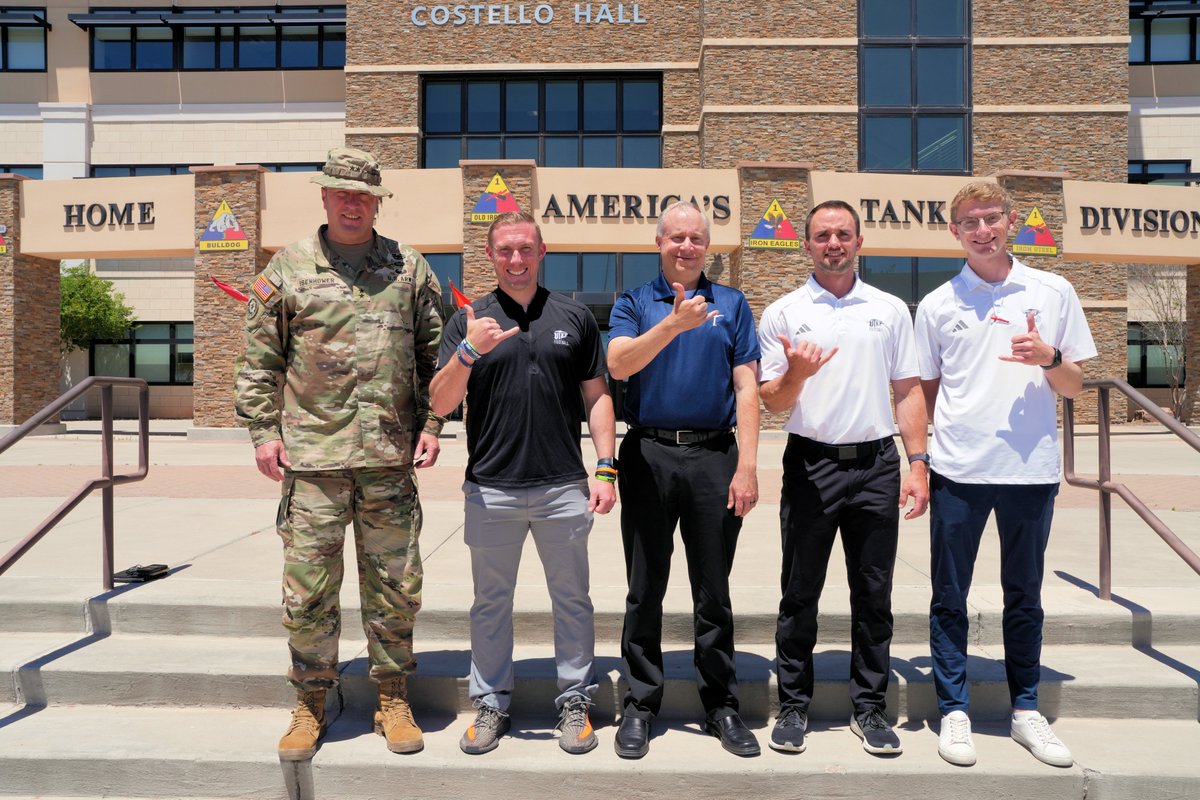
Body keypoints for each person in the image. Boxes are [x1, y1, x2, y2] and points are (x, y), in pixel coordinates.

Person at [235, 146, 444, 760]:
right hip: (312, 460)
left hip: (388, 459)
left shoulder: (408, 268)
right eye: (341, 193)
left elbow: (438, 356)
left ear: (376, 201)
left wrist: (434, 422)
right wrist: (261, 432)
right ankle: (310, 702)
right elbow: (258, 360)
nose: (352, 204)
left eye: (363, 195)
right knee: (308, 593)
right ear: (324, 196)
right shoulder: (288, 269)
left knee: (396, 585)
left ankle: (392, 696)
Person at [914, 180, 1096, 768]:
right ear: (955, 232)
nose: (983, 230)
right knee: (950, 595)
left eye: (991, 218)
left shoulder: (1053, 290)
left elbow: (1076, 386)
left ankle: (1025, 709)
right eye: (970, 222)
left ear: (1011, 220)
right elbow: (924, 391)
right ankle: (955, 711)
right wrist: (917, 462)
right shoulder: (939, 303)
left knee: (1025, 595)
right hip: (959, 470)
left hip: (1030, 472)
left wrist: (1049, 358)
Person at [429, 211, 616, 756]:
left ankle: (575, 700)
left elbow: (597, 395)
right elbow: (440, 402)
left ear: (542, 252)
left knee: (572, 599)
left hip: (563, 486)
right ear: (490, 255)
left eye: (525, 249)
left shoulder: (574, 317)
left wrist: (605, 466)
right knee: (491, 602)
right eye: (505, 250)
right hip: (492, 488)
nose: (516, 259)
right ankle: (490, 703)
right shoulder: (469, 319)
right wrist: (469, 350)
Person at [758, 200, 929, 756]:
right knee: (799, 591)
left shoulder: (889, 310)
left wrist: (918, 463)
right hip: (811, 464)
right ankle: (793, 705)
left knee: (873, 593)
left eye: (843, 234)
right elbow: (773, 402)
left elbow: (907, 391)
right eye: (823, 235)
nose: (833, 242)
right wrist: (799, 374)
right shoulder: (784, 312)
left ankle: (870, 707)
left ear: (860, 243)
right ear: (805, 245)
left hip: (877, 464)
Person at [607, 200, 762, 758]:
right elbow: (621, 364)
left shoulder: (734, 304)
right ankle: (641, 704)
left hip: (714, 459)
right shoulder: (633, 301)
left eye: (697, 238)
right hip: (648, 456)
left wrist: (747, 465)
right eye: (676, 237)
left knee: (713, 591)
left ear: (707, 246)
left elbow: (747, 388)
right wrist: (673, 322)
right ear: (659, 243)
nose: (687, 246)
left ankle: (721, 705)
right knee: (644, 589)